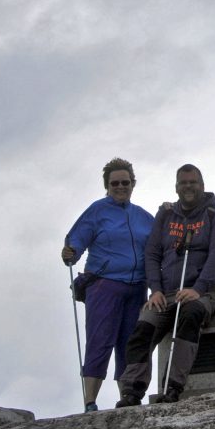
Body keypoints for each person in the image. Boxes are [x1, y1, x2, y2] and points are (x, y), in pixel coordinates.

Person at [116, 164, 215, 406]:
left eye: (193, 182)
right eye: (183, 183)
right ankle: (132, 390)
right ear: (176, 187)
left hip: (203, 291)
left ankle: (173, 386)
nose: (188, 186)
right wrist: (155, 289)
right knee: (143, 328)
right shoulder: (166, 215)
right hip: (165, 292)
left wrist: (198, 289)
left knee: (189, 316)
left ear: (202, 185)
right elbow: (152, 254)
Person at [61, 158, 155, 412]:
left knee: (129, 343)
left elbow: (159, 246)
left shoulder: (145, 218)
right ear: (107, 185)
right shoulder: (97, 211)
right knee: (99, 340)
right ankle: (90, 401)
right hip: (104, 285)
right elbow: (77, 238)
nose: (120, 186)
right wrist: (71, 251)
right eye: (115, 183)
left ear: (133, 184)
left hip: (137, 288)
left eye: (125, 182)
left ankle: (126, 397)